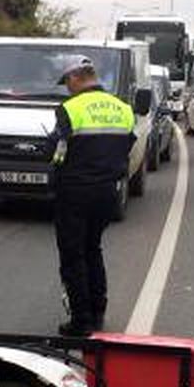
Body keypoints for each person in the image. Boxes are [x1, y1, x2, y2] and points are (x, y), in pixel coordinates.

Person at [46, 55, 136, 337]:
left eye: (67, 83)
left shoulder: (69, 109)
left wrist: (48, 151)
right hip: (109, 192)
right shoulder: (123, 108)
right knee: (93, 249)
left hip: (74, 191)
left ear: (75, 78)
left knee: (73, 256)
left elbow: (58, 150)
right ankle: (98, 312)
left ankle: (81, 322)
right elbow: (127, 147)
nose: (67, 89)